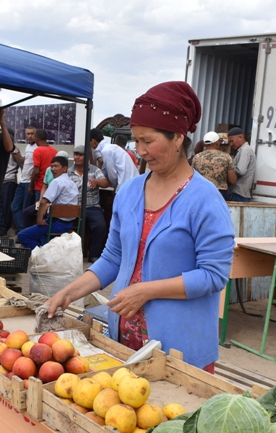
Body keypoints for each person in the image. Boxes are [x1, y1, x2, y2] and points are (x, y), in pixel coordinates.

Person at [46, 82, 235, 371]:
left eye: (148, 140)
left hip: (179, 349)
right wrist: (70, 292)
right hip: (123, 340)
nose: (141, 150)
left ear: (177, 138)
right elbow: (113, 258)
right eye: (136, 141)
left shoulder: (205, 199)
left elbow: (213, 276)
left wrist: (147, 290)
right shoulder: (130, 191)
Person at [17, 156, 78, 250]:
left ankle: (43, 253)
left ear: (65, 168)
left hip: (56, 224)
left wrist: (39, 220)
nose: (53, 169)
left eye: (56, 166)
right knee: (41, 234)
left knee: (22, 236)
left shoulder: (57, 182)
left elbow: (43, 202)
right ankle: (45, 249)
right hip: (69, 224)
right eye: (52, 166)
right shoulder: (72, 183)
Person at [68, 145, 109, 262]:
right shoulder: (69, 172)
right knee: (64, 224)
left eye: (80, 155)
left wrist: (96, 181)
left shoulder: (94, 170)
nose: (77, 157)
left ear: (86, 157)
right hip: (74, 206)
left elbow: (105, 183)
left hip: (92, 207)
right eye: (76, 154)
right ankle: (71, 254)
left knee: (100, 226)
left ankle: (94, 254)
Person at [89, 128, 138, 192]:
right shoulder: (111, 148)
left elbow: (113, 176)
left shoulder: (106, 151)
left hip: (126, 187)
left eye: (89, 142)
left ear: (93, 141)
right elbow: (104, 170)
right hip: (132, 184)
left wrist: (116, 189)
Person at [191, 131, 236, 197]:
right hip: (220, 192)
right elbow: (232, 180)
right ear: (217, 143)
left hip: (201, 190)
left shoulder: (197, 157)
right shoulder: (226, 157)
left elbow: (192, 176)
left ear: (204, 144)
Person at [0, 129, 20, 236]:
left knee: (6, 207)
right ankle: (1, 229)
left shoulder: (14, 150)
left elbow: (20, 164)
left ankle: (6, 228)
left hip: (9, 181)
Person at [11, 125, 36, 232]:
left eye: (32, 134)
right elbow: (26, 162)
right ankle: (22, 230)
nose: (30, 136)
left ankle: (24, 232)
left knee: (25, 209)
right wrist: (19, 157)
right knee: (14, 207)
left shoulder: (38, 148)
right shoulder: (28, 147)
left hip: (30, 183)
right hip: (22, 181)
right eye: (28, 134)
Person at [225, 127, 255, 202]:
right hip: (238, 193)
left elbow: (241, 170)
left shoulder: (246, 150)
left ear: (240, 137)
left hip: (239, 193)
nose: (231, 144)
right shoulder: (242, 150)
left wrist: (228, 168)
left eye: (232, 141)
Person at [30, 129, 56, 199]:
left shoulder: (38, 151)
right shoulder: (54, 151)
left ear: (36, 139)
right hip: (52, 187)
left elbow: (36, 171)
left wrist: (31, 186)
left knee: (39, 208)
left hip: (40, 187)